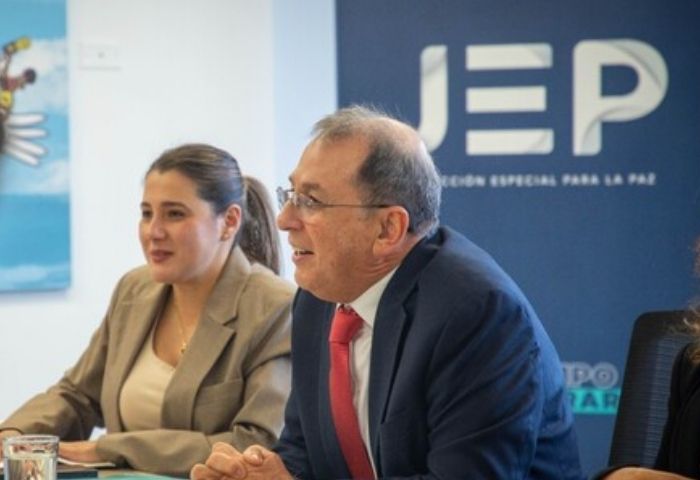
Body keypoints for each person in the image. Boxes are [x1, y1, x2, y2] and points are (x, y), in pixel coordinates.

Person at [191, 105, 582, 479]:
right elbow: (303, 451)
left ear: (388, 229)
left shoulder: (476, 313)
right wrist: (258, 472)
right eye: (290, 195)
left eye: (310, 201)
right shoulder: (318, 298)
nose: (284, 219)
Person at [0, 143, 295, 476]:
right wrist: (16, 435)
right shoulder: (134, 290)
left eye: (174, 214)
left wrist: (109, 448)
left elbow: (254, 445)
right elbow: (77, 396)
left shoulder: (276, 307)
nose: (153, 231)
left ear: (229, 221)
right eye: (146, 213)